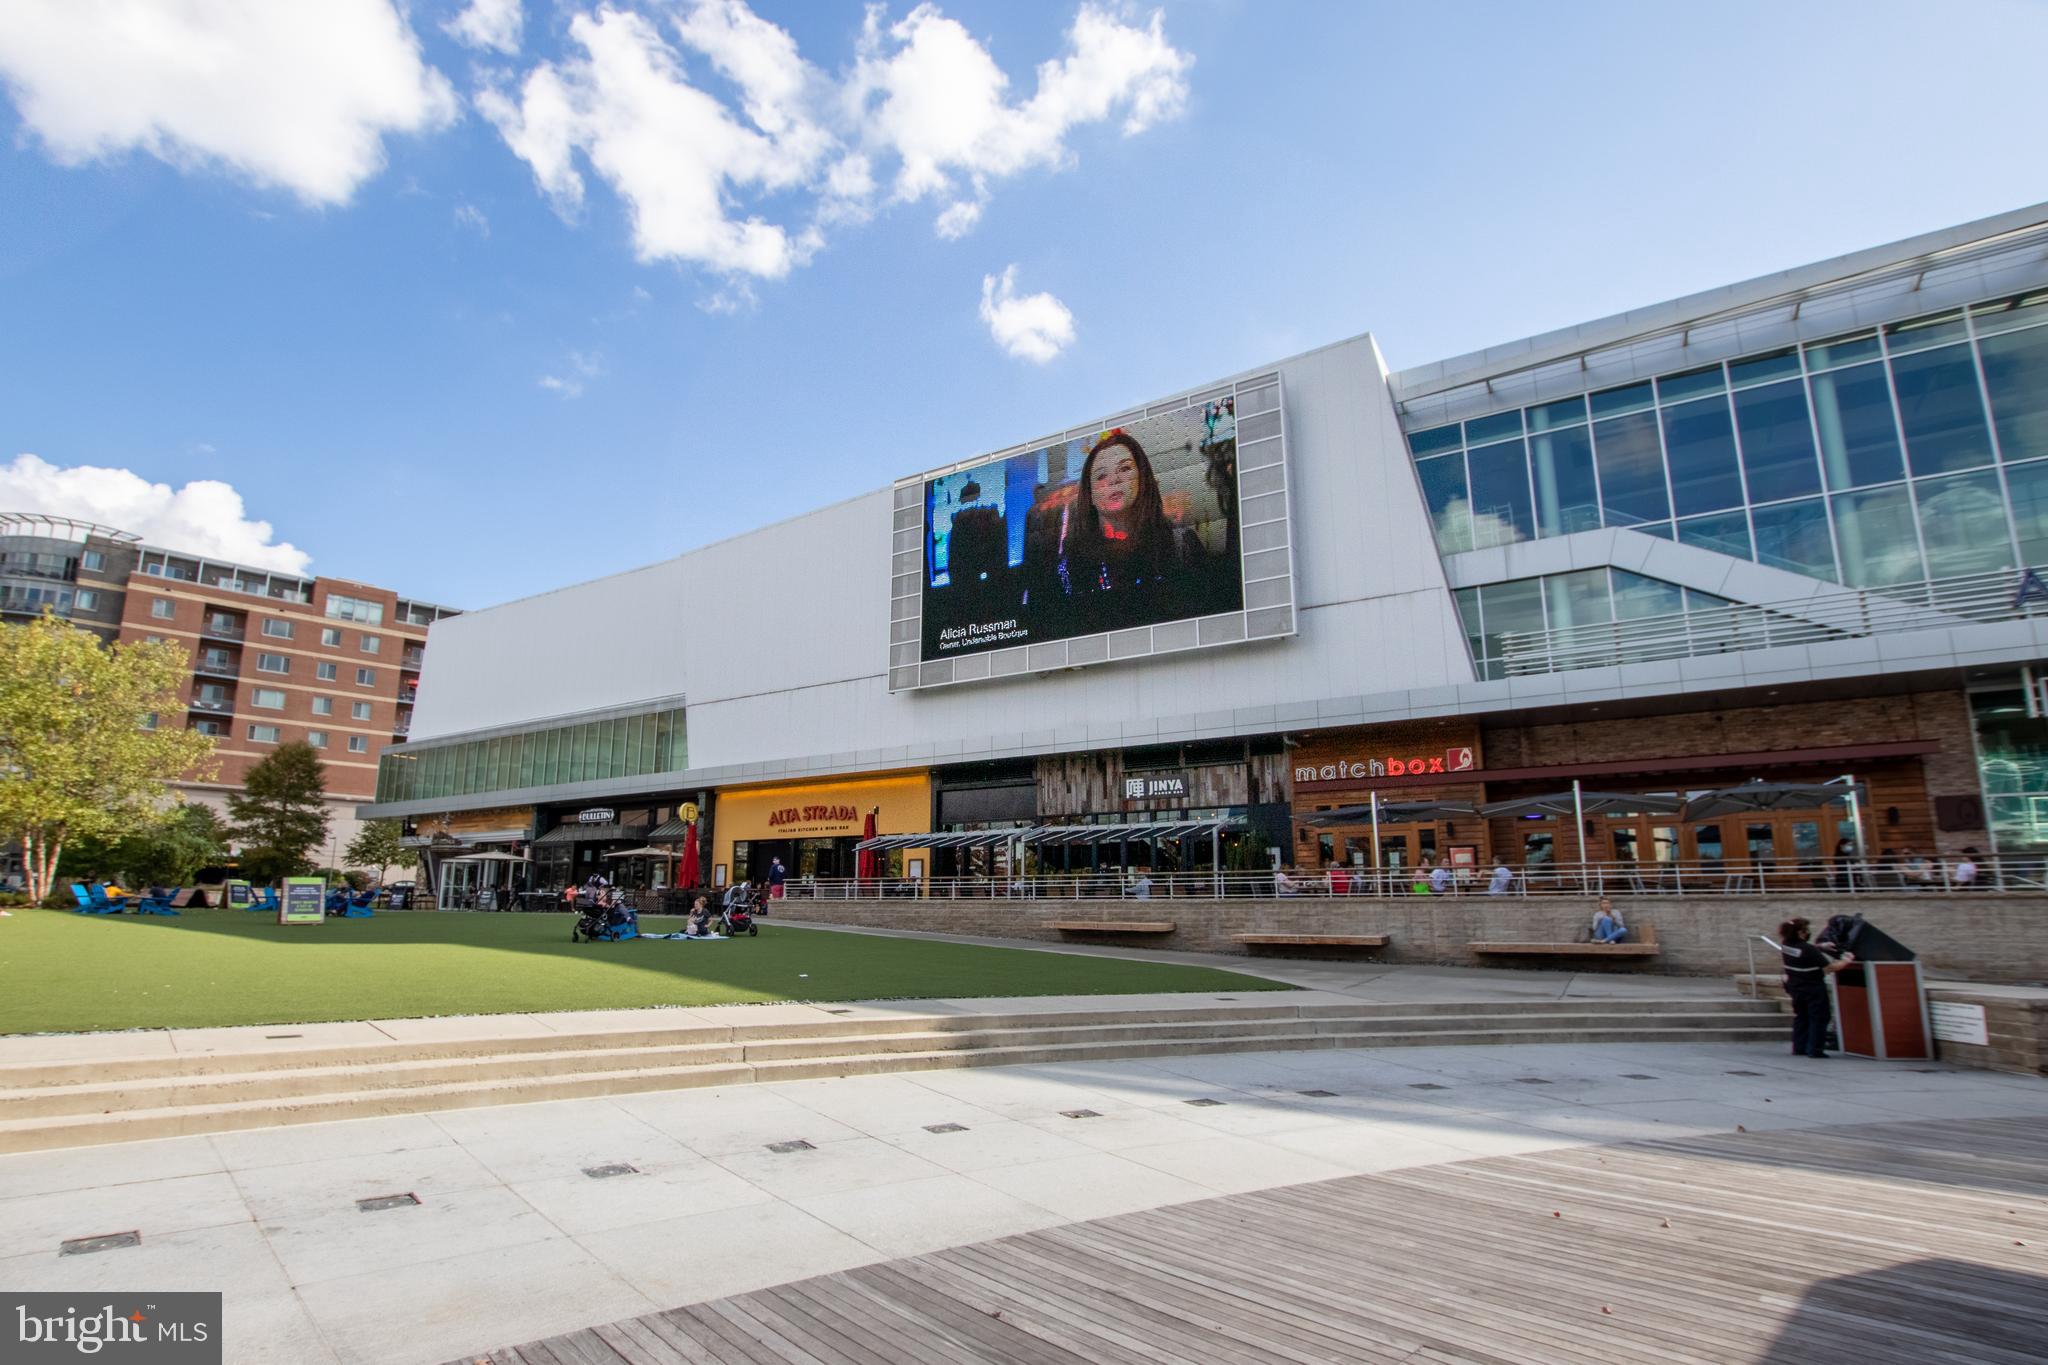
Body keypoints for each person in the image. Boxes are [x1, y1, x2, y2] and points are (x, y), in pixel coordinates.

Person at [1777, 917, 1856, 1059]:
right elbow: (1831, 967)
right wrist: (1846, 961)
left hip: (1795, 987)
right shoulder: (1808, 950)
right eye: (1805, 930)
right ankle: (1815, 1049)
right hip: (1812, 988)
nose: (1808, 932)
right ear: (1800, 932)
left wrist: (1821, 946)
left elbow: (1802, 949)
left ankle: (1799, 1048)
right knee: (1819, 1017)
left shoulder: (1786, 945)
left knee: (1802, 1017)